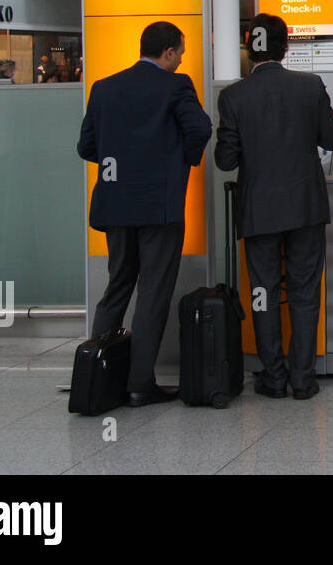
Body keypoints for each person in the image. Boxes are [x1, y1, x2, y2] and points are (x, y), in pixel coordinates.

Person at [77, 21, 212, 407]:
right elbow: (199, 129)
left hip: (115, 204)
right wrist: (177, 163)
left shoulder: (104, 88)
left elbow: (87, 146)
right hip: (159, 206)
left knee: (117, 286)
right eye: (181, 52)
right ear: (168, 52)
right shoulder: (176, 85)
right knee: (153, 291)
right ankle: (139, 384)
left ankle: (99, 377)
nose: (182, 59)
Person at [215, 13, 333, 401]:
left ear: (247, 47)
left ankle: (272, 377)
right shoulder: (309, 86)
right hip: (306, 206)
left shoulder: (233, 96)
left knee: (263, 292)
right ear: (286, 47)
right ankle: (303, 380)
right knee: (305, 292)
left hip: (258, 211)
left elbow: (225, 160)